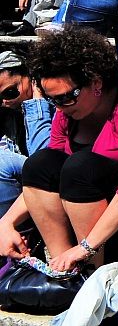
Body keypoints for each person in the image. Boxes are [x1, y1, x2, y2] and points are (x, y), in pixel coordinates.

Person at [0, 27, 118, 271]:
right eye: (53, 101)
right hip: (85, 218)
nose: (59, 108)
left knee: (80, 166)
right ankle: (64, 268)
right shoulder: (69, 114)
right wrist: (5, 223)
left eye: (64, 97)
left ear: (95, 82)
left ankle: (94, 271)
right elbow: (43, 175)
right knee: (41, 163)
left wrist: (86, 247)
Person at [0, 51, 54, 216]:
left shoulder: (54, 101)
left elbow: (44, 162)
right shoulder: (6, 113)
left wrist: (36, 106)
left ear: (30, 77)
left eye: (10, 92)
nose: (5, 102)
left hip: (51, 187)